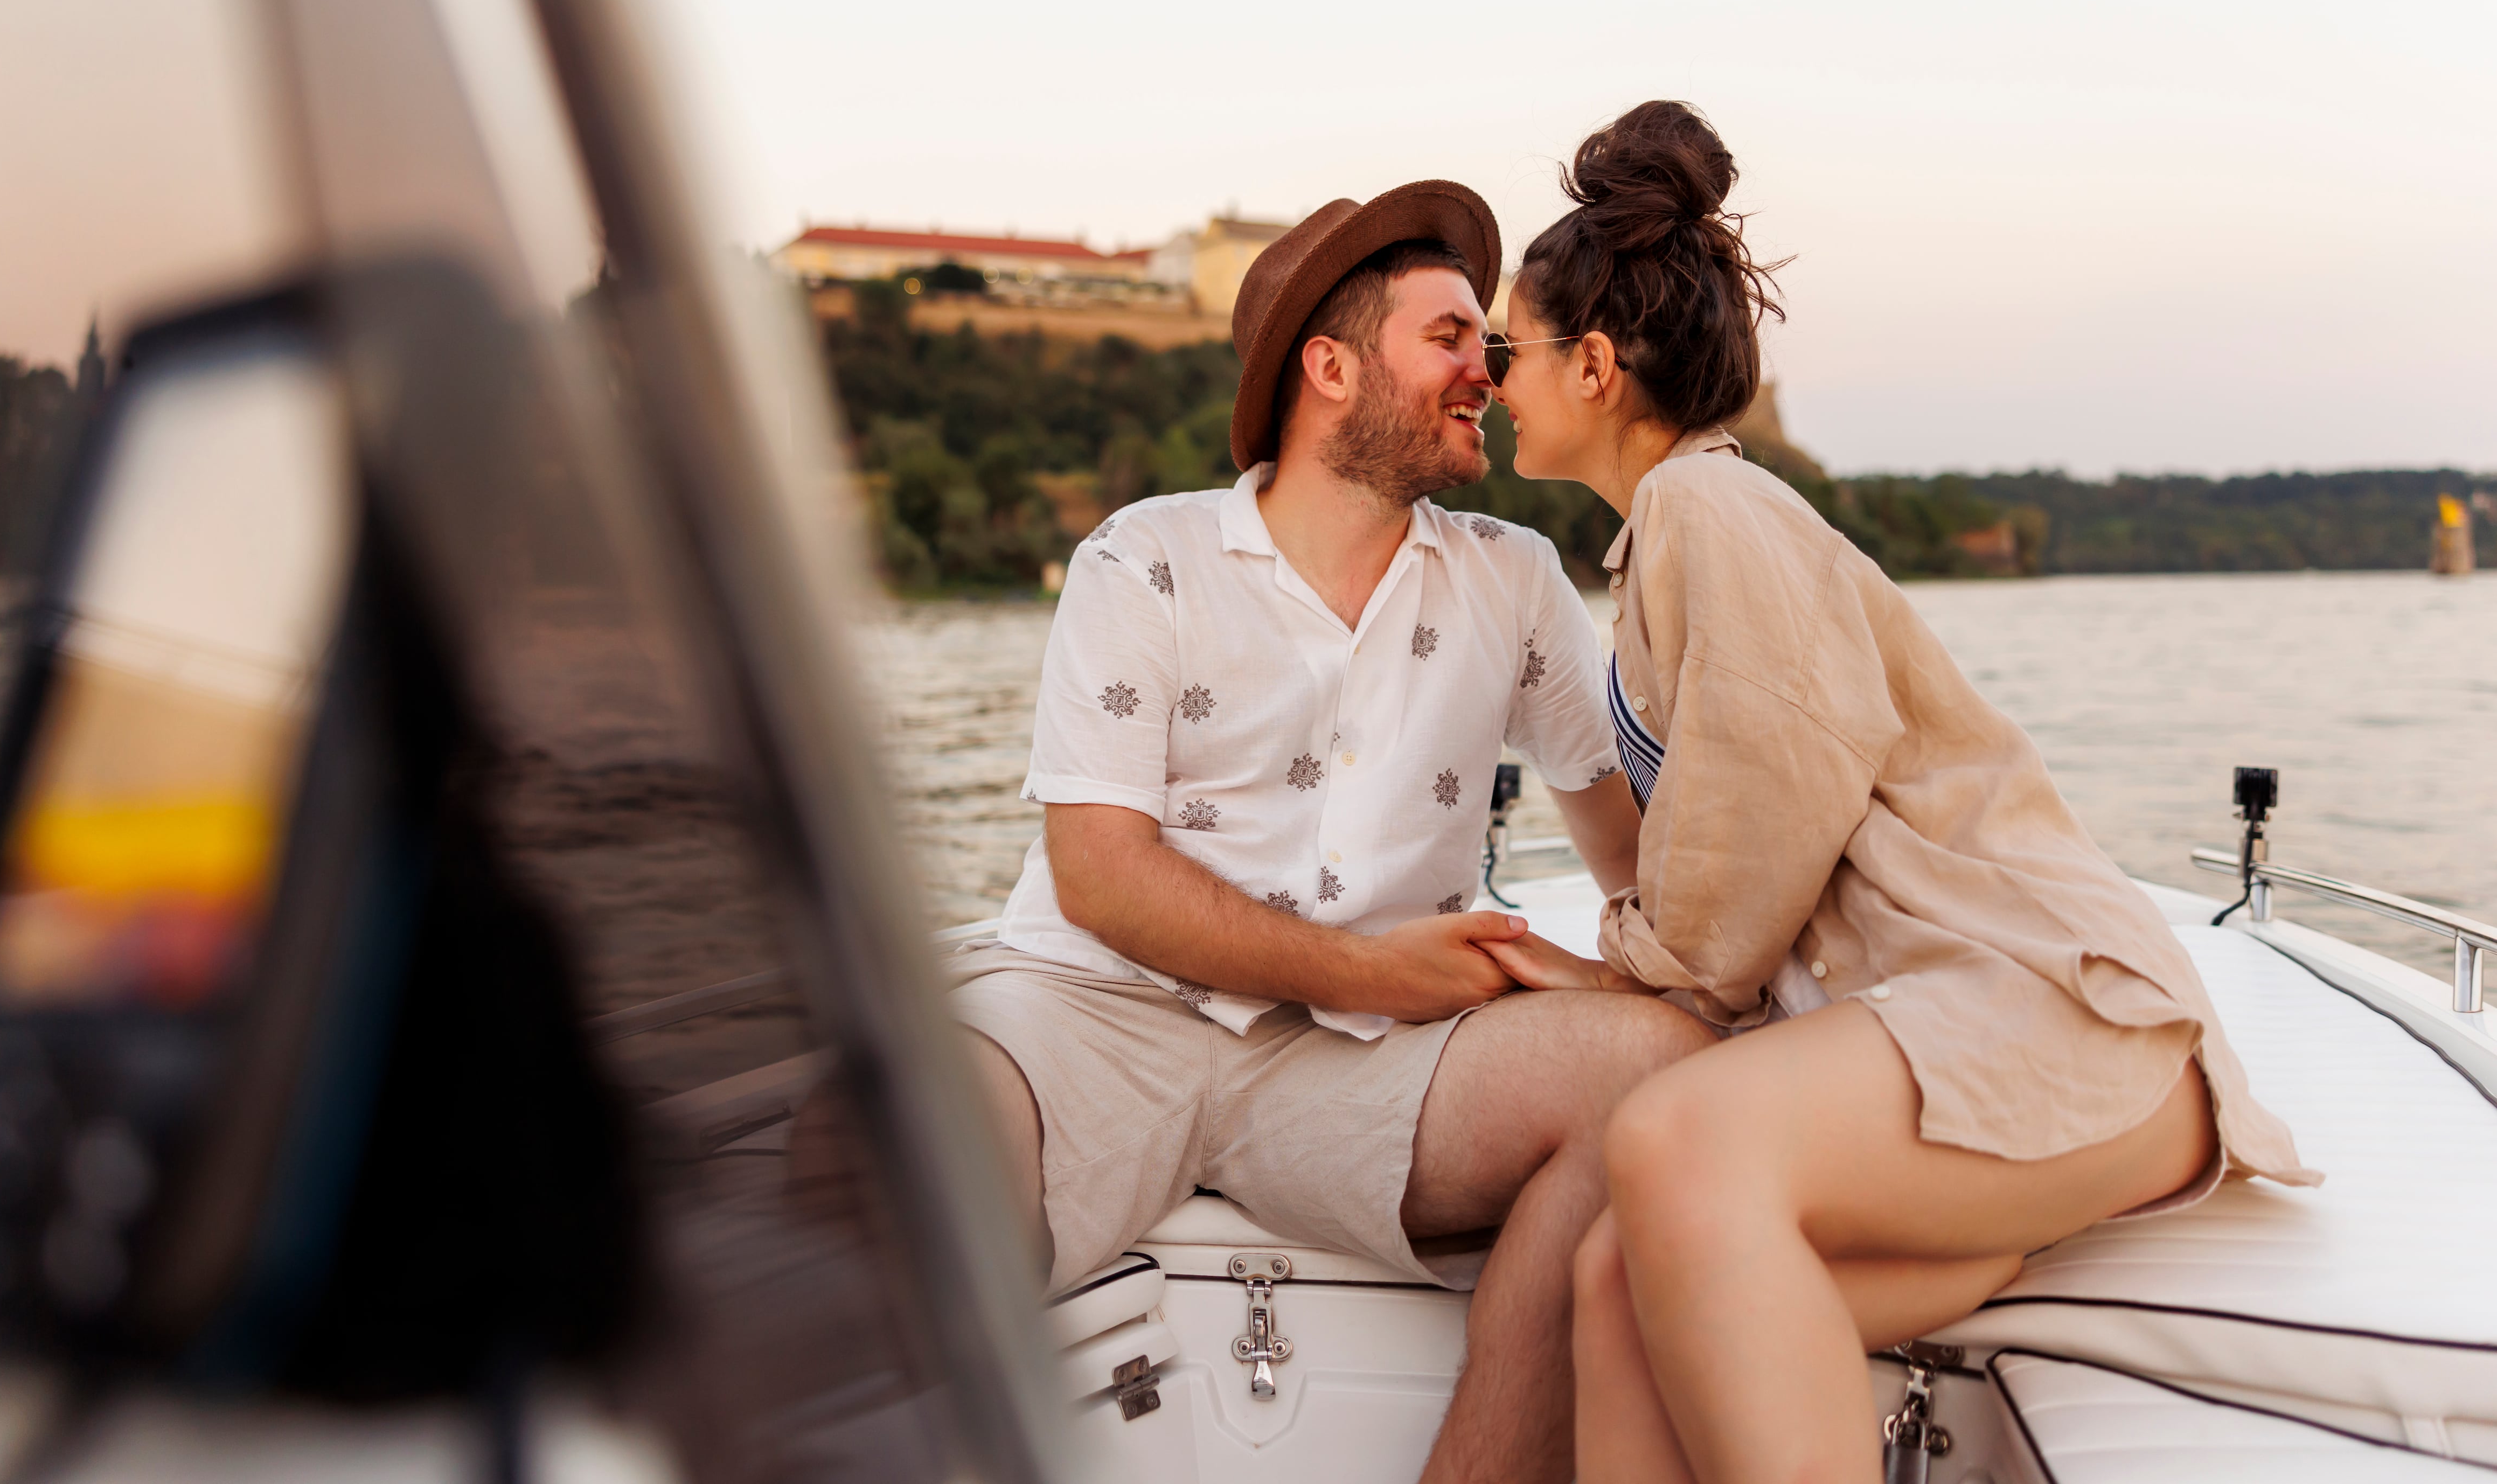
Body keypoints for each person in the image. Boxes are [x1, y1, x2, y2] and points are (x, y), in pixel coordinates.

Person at [1473, 101, 2319, 1483]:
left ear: (1596, 367)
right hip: (1983, 1052)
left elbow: (1759, 819)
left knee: (1671, 1137)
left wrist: (1607, 970)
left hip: (2056, 1019)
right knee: (1617, 1284)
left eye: (1513, 351)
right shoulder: (1677, 532)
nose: (1498, 380)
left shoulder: (1708, 513)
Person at [948, 180, 1714, 1483]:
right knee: (905, 1136)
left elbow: (1633, 857)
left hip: (1355, 1068)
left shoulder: (1516, 583)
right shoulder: (1144, 560)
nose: (1492, 366)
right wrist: (1375, 969)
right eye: (1453, 336)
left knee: (1651, 1069)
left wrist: (1624, 969)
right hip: (1098, 1012)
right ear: (1331, 368)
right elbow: (1100, 876)